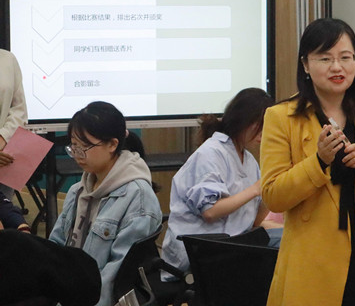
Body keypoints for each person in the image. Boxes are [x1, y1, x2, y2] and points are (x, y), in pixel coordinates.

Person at [260, 18, 355, 306]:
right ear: (305, 65)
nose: (337, 67)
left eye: (346, 57)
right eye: (325, 58)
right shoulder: (282, 117)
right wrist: (318, 162)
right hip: (311, 266)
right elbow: (273, 197)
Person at [49, 101, 162, 306]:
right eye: (74, 146)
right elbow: (55, 248)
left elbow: (117, 275)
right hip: (71, 292)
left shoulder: (137, 198)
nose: (77, 154)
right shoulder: (77, 191)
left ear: (112, 144)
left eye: (85, 147)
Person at [162, 88, 280, 275]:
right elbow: (210, 212)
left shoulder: (248, 159)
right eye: (260, 125)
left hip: (230, 246)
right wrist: (255, 189)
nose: (263, 134)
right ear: (242, 120)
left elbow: (255, 222)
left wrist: (271, 188)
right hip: (202, 253)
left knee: (288, 241)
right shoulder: (211, 153)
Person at [0, 49, 28, 200]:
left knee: (4, 210)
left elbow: (19, 110)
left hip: (5, 155)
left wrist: (3, 137)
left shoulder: (8, 59)